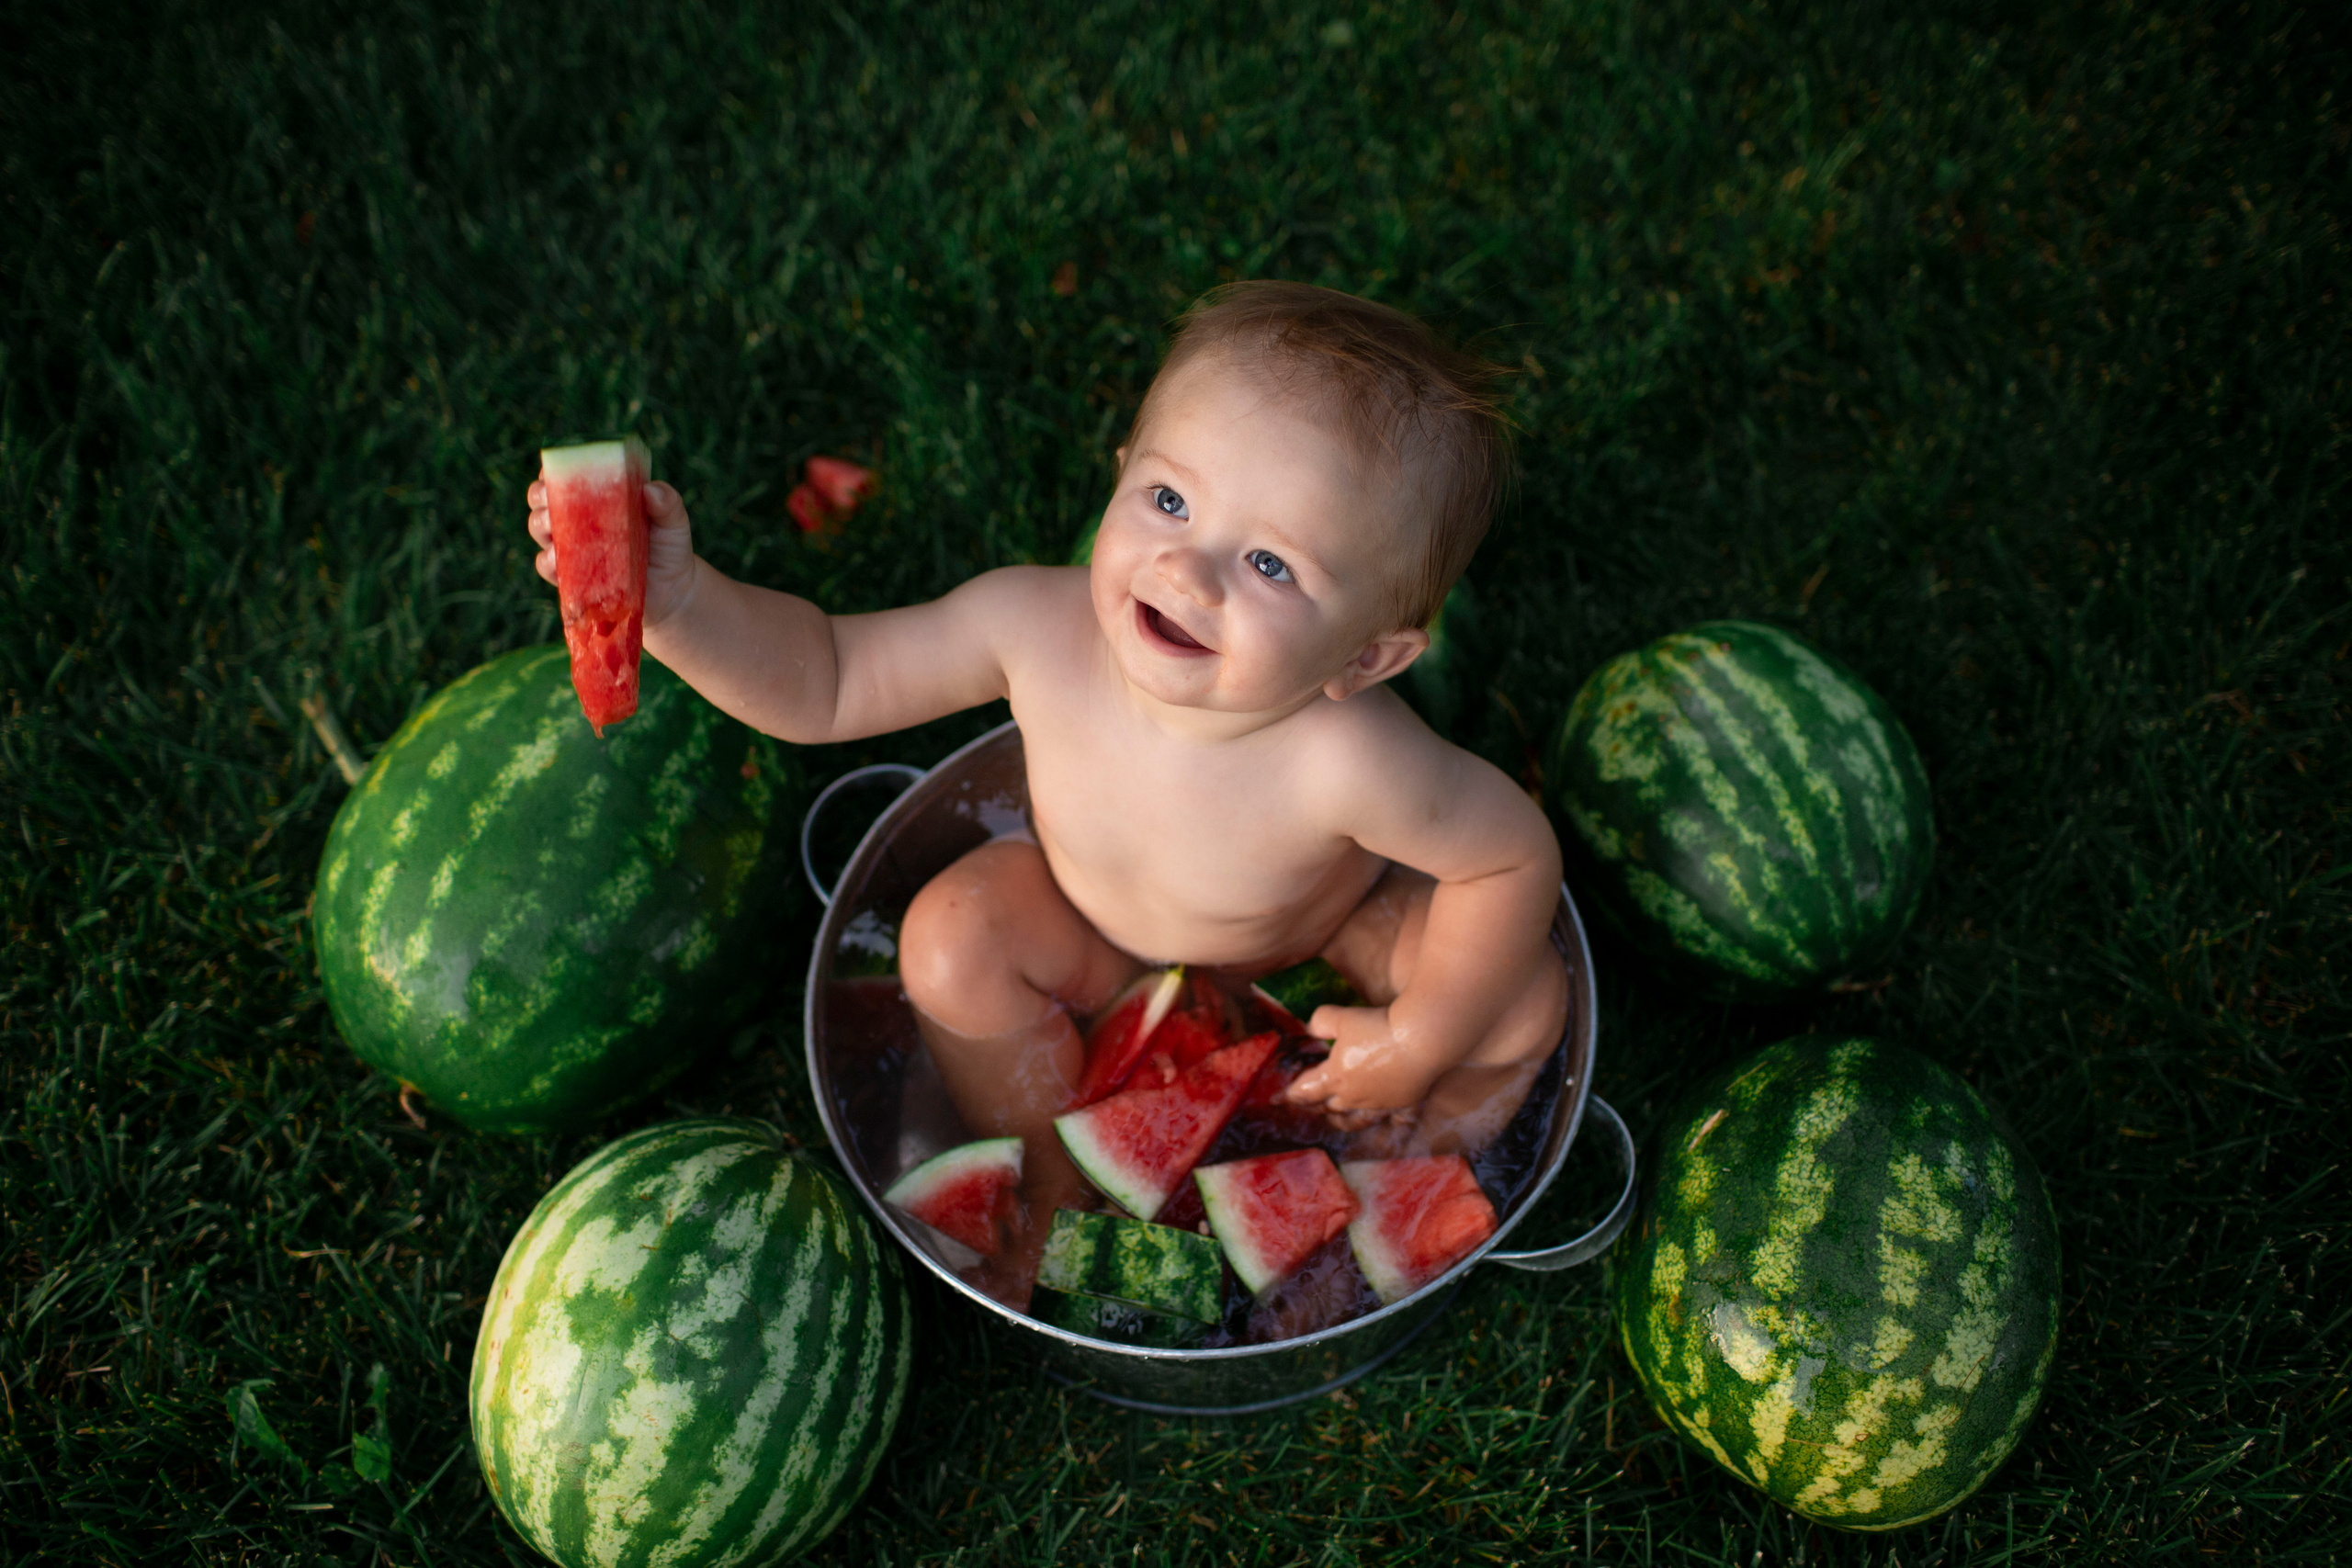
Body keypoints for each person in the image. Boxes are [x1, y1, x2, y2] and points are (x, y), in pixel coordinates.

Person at [526, 282, 1567, 1287]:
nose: (1186, 571)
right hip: (1086, 933)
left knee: (1521, 999)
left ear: (1367, 658)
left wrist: (1422, 1034)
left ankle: (1408, 1159)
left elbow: (1511, 858)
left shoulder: (1353, 759)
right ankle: (1049, 1158)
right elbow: (827, 677)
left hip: (1319, 938)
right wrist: (680, 606)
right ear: (1120, 475)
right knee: (949, 941)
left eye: (1270, 566)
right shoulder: (1032, 629)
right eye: (1169, 501)